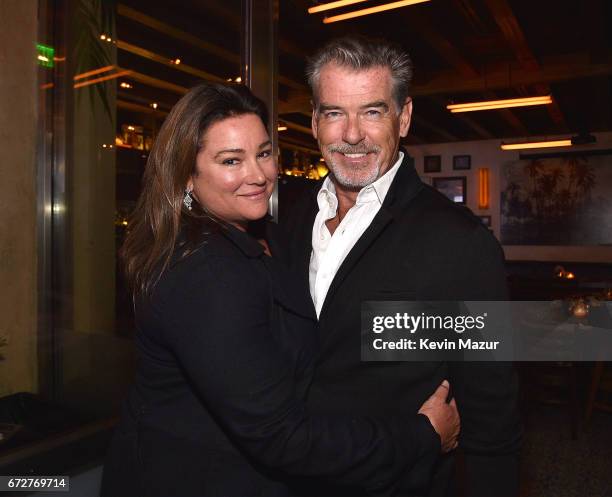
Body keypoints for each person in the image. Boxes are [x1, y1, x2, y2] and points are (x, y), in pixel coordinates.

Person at [100, 82, 460, 497]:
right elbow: (280, 435)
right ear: (186, 177)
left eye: (264, 153)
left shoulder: (267, 235)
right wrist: (423, 435)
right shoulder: (207, 273)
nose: (259, 175)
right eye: (231, 160)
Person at [280, 36, 523, 497]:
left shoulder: (461, 243)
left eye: (372, 112)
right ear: (314, 122)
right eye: (334, 112)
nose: (352, 134)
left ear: (403, 117)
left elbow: (493, 418)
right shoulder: (287, 223)